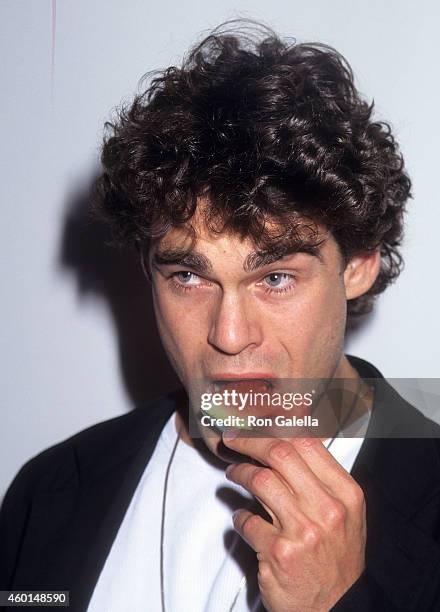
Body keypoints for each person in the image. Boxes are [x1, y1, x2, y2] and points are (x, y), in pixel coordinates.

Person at [1, 19, 440, 612]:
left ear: (358, 264)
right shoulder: (52, 490)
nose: (228, 337)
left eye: (275, 278)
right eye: (188, 276)